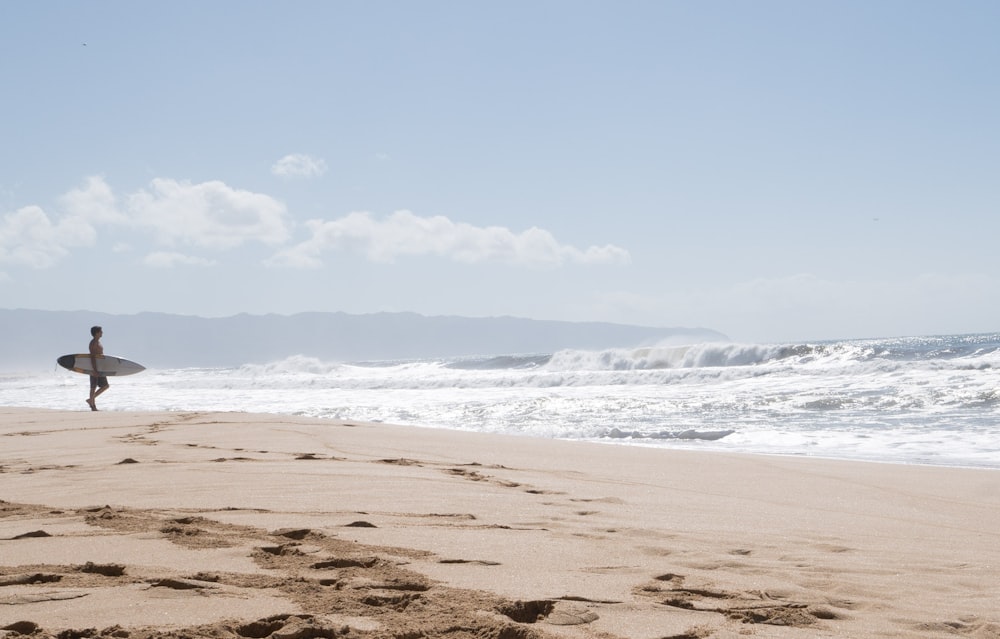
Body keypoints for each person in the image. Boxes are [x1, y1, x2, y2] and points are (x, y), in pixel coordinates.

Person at [87, 326, 109, 411]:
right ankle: (93, 406)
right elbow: (92, 357)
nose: (102, 333)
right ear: (97, 333)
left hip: (100, 368)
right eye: (101, 331)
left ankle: (90, 400)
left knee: (105, 386)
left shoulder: (98, 342)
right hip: (94, 368)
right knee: (93, 387)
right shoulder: (93, 343)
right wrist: (94, 370)